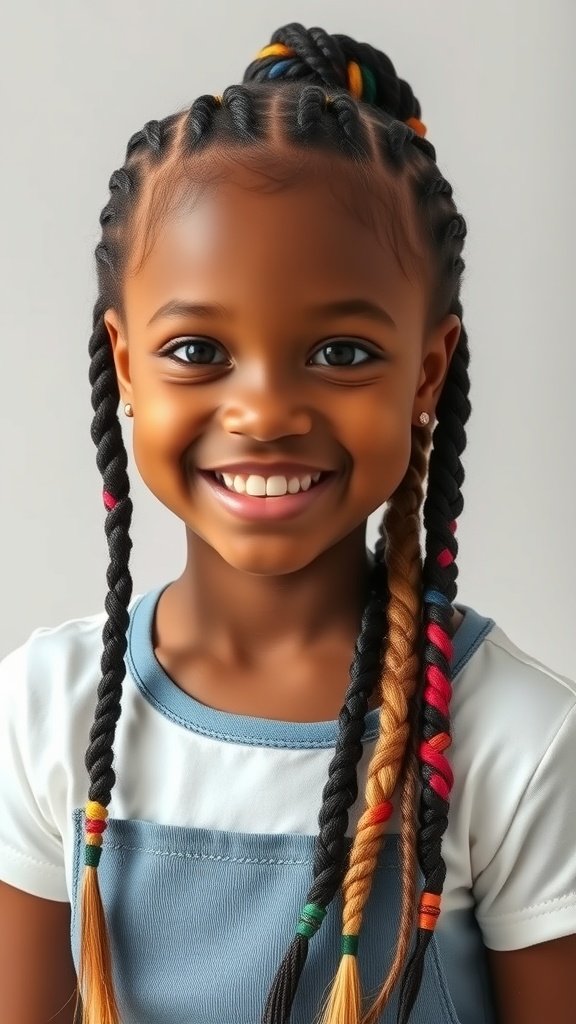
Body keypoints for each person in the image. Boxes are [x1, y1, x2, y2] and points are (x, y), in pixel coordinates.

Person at [1, 20, 575, 1024]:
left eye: (343, 353)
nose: (264, 411)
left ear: (427, 375)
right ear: (125, 362)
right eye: (196, 350)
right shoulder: (44, 712)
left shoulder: (513, 741)